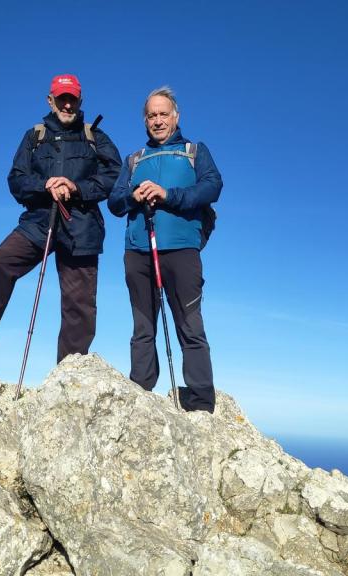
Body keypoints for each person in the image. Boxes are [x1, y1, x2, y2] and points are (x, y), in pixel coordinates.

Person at [0, 74, 121, 363]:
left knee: (78, 301)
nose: (67, 105)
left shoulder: (95, 137)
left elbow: (115, 177)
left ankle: (70, 370)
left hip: (82, 225)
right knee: (0, 263)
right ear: (50, 100)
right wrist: (45, 185)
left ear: (80, 101)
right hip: (39, 220)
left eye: (72, 99)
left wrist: (76, 187)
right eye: (61, 99)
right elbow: (16, 179)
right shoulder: (34, 137)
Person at [107, 86, 223, 412]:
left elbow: (212, 186)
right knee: (143, 328)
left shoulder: (194, 151)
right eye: (151, 115)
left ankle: (201, 404)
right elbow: (114, 202)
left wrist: (168, 195)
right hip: (138, 250)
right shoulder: (134, 160)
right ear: (145, 121)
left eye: (163, 114)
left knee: (190, 325)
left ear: (176, 116)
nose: (158, 120)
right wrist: (134, 196)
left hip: (182, 249)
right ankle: (141, 394)